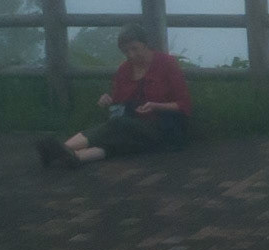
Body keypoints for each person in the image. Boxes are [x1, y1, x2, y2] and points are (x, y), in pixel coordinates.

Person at [37, 24, 192, 168]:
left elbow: (183, 104)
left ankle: (63, 148)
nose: (131, 55)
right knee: (117, 141)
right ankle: (75, 157)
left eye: (134, 49)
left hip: (161, 127)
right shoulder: (124, 69)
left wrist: (155, 105)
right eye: (126, 51)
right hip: (132, 129)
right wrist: (107, 100)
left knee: (119, 125)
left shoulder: (166, 63)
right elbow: (119, 103)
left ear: (145, 44)